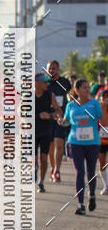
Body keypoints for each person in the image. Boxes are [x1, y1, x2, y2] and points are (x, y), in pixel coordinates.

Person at [58, 78, 102, 214]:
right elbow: (66, 122)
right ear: (77, 90)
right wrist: (61, 121)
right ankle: (80, 204)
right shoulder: (70, 106)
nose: (88, 90)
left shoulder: (95, 104)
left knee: (91, 172)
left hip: (92, 142)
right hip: (75, 142)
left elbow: (103, 120)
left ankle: (92, 195)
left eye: (88, 88)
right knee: (79, 172)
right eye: (84, 88)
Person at [34, 73, 61, 193]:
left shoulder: (50, 95)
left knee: (44, 158)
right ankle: (33, 172)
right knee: (33, 160)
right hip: (31, 132)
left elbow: (58, 111)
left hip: (45, 131)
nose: (47, 84)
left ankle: (41, 182)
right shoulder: (27, 95)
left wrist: (49, 115)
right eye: (44, 82)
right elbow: (19, 110)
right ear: (36, 83)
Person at [46, 60, 72, 183]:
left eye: (54, 68)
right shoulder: (44, 84)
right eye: (50, 68)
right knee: (51, 147)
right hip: (48, 118)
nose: (52, 70)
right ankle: (52, 168)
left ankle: (57, 170)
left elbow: (71, 95)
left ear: (58, 69)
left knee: (59, 144)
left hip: (61, 118)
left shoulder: (64, 82)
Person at [98, 89, 108, 194]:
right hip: (100, 139)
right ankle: (106, 185)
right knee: (101, 163)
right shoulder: (97, 108)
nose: (106, 99)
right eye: (104, 97)